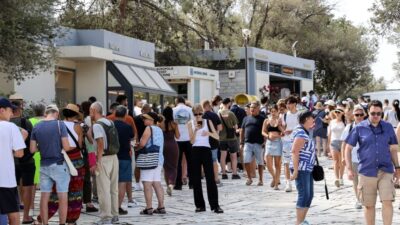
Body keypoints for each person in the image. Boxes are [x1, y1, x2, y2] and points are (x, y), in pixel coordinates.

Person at [345, 100, 400, 225]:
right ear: (367, 113)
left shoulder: (388, 127)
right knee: (369, 205)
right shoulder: (359, 127)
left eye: (379, 114)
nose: (376, 116)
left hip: (385, 170)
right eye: (373, 113)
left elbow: (393, 149)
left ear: (382, 113)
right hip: (366, 171)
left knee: (387, 201)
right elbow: (347, 148)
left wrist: (397, 168)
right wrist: (348, 168)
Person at [42, 103, 85, 224]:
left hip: (61, 160)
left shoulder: (57, 126)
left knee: (56, 192)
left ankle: (43, 218)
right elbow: (80, 145)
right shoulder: (78, 127)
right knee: (75, 192)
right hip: (76, 161)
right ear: (76, 115)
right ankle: (71, 219)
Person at [30, 104, 71, 225]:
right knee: (62, 196)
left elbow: (32, 149)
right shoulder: (60, 124)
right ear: (57, 113)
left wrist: (42, 147)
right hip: (58, 164)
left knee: (44, 196)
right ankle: (62, 223)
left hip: (44, 165)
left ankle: (45, 223)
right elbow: (66, 147)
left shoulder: (37, 126)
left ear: (45, 114)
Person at [188, 104, 223, 213]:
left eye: (200, 113)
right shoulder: (190, 124)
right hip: (195, 150)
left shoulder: (208, 122)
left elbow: (217, 136)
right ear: (193, 114)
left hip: (206, 150)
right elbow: (191, 141)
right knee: (196, 179)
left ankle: (215, 205)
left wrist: (208, 133)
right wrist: (195, 130)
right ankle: (200, 205)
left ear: (203, 113)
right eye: (196, 114)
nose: (198, 116)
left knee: (210, 178)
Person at [90, 102, 119, 224]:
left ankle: (105, 217)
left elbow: (100, 143)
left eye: (90, 111)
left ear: (94, 110)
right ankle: (114, 215)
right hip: (114, 157)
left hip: (104, 159)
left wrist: (98, 161)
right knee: (113, 189)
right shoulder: (109, 122)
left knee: (103, 189)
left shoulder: (97, 125)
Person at [0, 98, 26, 225]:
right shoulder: (11, 127)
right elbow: (19, 153)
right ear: (2, 110)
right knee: (13, 215)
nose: (12, 114)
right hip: (6, 179)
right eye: (10, 110)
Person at [10, 101, 35, 224]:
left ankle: (13, 217)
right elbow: (33, 141)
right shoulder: (26, 122)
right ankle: (26, 216)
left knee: (11, 189)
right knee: (27, 188)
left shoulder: (5, 123)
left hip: (11, 162)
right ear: (19, 110)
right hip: (27, 160)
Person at [290, 111, 316, 225]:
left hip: (307, 168)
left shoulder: (304, 131)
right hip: (301, 168)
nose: (313, 120)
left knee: (309, 195)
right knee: (304, 194)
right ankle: (299, 222)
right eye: (312, 118)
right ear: (306, 119)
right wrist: (295, 170)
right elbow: (295, 151)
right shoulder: (300, 133)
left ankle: (302, 220)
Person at [137, 112, 165, 215]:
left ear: (151, 120)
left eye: (145, 118)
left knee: (147, 183)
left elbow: (143, 144)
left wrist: (136, 147)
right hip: (159, 159)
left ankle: (148, 207)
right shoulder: (159, 130)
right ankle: (161, 206)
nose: (143, 120)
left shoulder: (149, 129)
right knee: (157, 182)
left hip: (149, 159)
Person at [342, 105, 365, 209]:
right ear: (353, 116)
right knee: (355, 181)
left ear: (364, 115)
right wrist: (343, 157)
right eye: (357, 115)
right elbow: (344, 143)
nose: (359, 117)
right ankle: (358, 200)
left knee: (364, 181)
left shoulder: (369, 126)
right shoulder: (349, 127)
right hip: (353, 158)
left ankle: (364, 198)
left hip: (366, 159)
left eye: (361, 115)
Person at [113, 106, 134, 215]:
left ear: (115, 114)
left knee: (112, 183)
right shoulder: (128, 127)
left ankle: (111, 206)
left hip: (112, 156)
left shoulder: (111, 125)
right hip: (125, 157)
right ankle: (118, 207)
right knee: (122, 183)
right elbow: (132, 137)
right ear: (125, 115)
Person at [240, 101, 265, 186]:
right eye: (251, 107)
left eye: (254, 107)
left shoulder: (262, 119)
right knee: (246, 160)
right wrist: (241, 142)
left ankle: (261, 179)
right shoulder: (246, 118)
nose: (252, 109)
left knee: (260, 162)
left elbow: (265, 130)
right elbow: (242, 130)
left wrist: (264, 142)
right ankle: (249, 178)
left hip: (258, 143)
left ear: (258, 108)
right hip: (248, 143)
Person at [80, 101, 98, 212]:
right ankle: (88, 202)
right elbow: (91, 141)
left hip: (69, 156)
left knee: (74, 179)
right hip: (85, 154)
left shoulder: (63, 124)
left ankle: (76, 201)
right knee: (87, 179)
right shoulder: (83, 126)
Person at [173, 97, 195, 190]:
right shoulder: (190, 110)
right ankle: (192, 184)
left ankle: (178, 184)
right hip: (189, 138)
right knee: (191, 162)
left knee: (177, 163)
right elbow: (194, 123)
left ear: (176, 102)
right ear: (184, 102)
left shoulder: (173, 110)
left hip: (177, 139)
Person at [262, 104, 284, 190]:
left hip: (278, 143)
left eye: (275, 111)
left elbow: (283, 133)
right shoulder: (266, 121)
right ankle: (275, 178)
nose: (273, 113)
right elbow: (263, 132)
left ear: (278, 111)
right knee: (268, 164)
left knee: (277, 165)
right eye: (271, 111)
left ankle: (276, 185)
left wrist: (279, 134)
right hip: (269, 143)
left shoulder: (280, 120)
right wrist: (268, 136)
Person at [28, 103, 46, 212]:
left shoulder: (29, 121)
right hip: (45, 153)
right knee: (46, 181)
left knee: (32, 182)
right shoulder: (46, 121)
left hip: (33, 153)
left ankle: (31, 205)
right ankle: (44, 206)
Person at [282, 96, 300, 192]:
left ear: (294, 104)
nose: (287, 105)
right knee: (286, 162)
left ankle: (298, 181)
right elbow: (281, 127)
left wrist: (292, 130)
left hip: (297, 140)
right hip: (286, 141)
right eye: (287, 104)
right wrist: (282, 130)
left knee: (297, 162)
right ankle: (288, 183)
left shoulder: (299, 115)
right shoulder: (284, 115)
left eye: (289, 103)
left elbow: (303, 127)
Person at [160, 107, 180, 196]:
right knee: (174, 167)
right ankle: (171, 185)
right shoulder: (174, 124)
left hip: (163, 146)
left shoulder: (160, 124)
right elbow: (178, 136)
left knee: (166, 167)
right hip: (173, 146)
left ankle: (168, 184)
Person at [219, 98, 240, 180]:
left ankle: (224, 173)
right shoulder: (231, 113)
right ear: (228, 103)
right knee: (233, 156)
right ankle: (234, 173)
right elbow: (236, 126)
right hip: (231, 138)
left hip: (222, 138)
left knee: (223, 156)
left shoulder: (219, 113)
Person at [202, 100, 222, 183]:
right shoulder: (215, 115)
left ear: (203, 106)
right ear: (209, 106)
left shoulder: (201, 116)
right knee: (214, 160)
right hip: (213, 140)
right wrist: (215, 133)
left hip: (203, 140)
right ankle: (216, 178)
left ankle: (203, 175)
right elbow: (220, 128)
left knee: (203, 160)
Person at [133, 103, 151, 192]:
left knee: (146, 163)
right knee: (138, 164)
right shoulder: (136, 119)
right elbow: (134, 131)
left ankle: (143, 182)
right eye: (146, 110)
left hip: (148, 144)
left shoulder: (151, 120)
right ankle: (137, 183)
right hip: (140, 144)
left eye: (148, 111)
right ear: (142, 110)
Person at [327, 108, 346, 187]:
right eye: (336, 112)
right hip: (333, 142)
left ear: (342, 113)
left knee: (341, 162)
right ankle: (336, 178)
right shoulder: (332, 122)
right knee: (335, 161)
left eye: (339, 112)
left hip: (342, 143)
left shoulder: (345, 122)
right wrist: (328, 145)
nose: (337, 113)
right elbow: (329, 134)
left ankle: (341, 178)